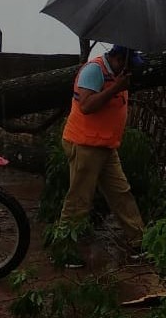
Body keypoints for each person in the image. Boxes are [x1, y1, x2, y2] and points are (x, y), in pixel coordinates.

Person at [52, 44, 146, 268]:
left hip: (105, 145)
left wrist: (119, 86)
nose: (130, 70)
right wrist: (115, 89)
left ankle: (140, 242)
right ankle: (64, 250)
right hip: (85, 145)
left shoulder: (118, 75)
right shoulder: (94, 71)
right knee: (79, 199)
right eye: (128, 65)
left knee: (121, 193)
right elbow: (86, 106)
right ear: (118, 59)